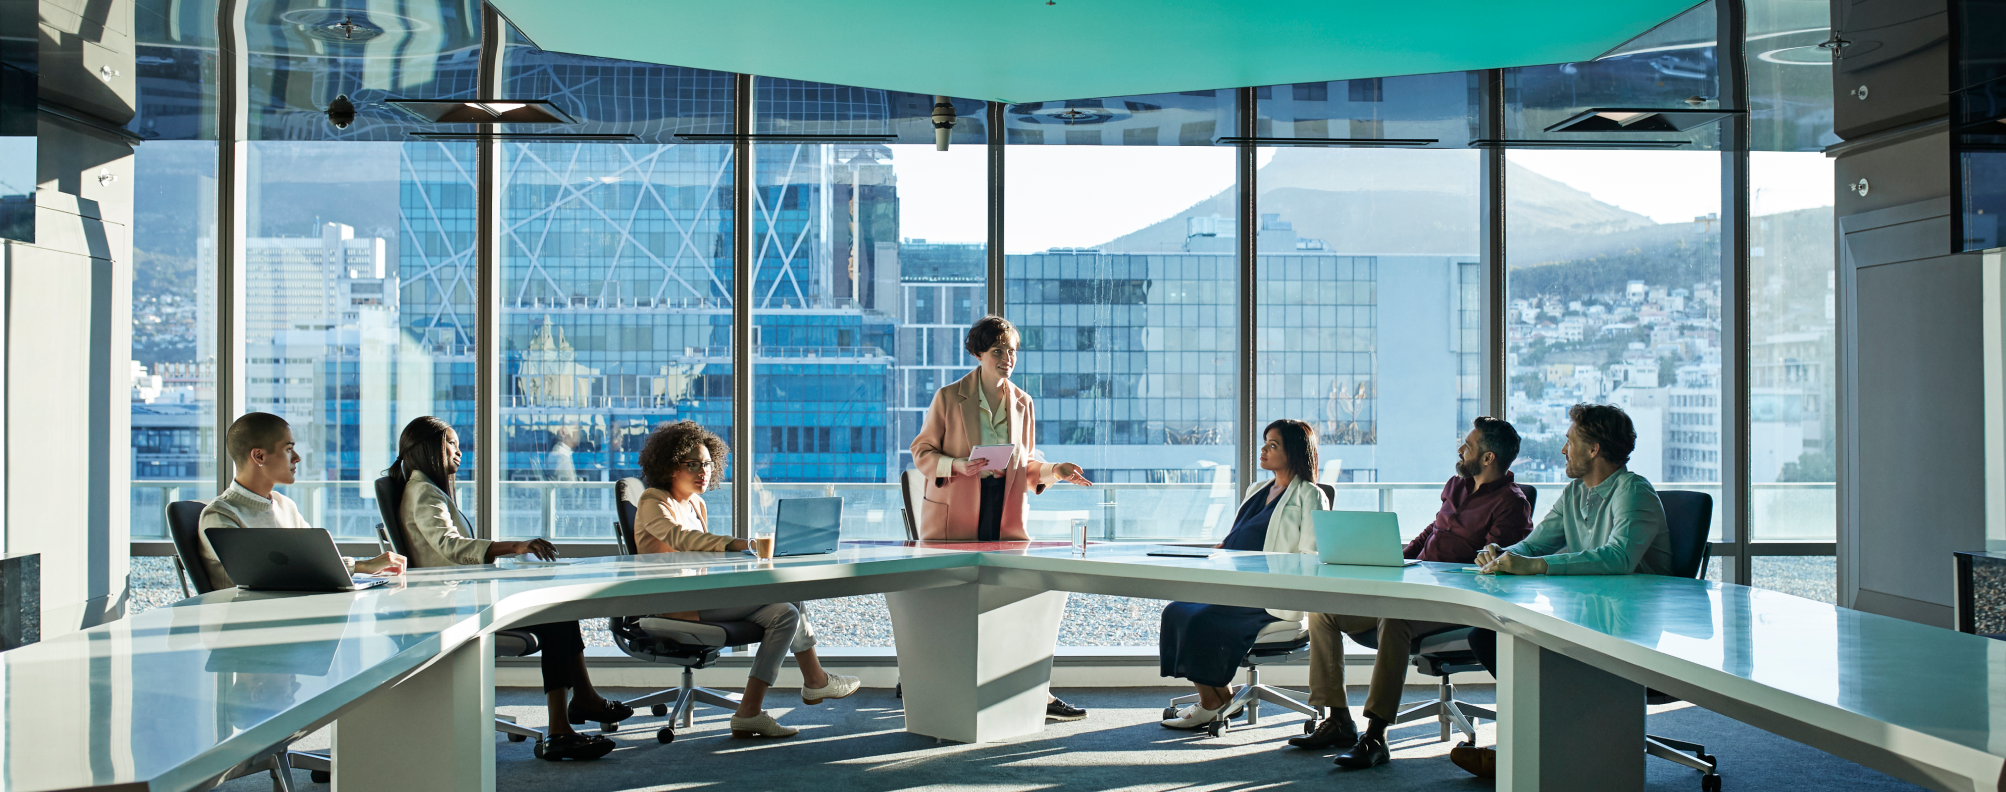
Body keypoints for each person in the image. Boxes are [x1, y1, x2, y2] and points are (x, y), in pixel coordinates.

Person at [1294, 417, 1534, 768]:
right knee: (1324, 611)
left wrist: (1432, 577)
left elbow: (1492, 568)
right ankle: (1338, 720)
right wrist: (1395, 558)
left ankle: (1375, 735)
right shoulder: (1457, 485)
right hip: (1415, 584)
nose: (1460, 449)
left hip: (1451, 601)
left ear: (1488, 458)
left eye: (1467, 445)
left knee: (1395, 619)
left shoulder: (1512, 504)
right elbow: (1433, 530)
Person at [1449, 403, 1672, 779]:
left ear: (1593, 449)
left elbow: (1618, 557)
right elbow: (1535, 545)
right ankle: (1537, 743)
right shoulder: (1575, 493)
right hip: (1590, 612)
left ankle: (1526, 752)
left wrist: (1536, 566)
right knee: (1487, 638)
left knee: (1533, 649)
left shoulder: (1633, 492)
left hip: (1632, 624)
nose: (1564, 450)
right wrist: (1502, 555)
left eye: (1570, 442)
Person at [390, 416, 629, 762]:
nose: (460, 451)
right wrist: (516, 546)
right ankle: (565, 724)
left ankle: (579, 705)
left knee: (558, 611)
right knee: (556, 616)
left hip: (458, 596)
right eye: (451, 444)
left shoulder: (423, 487)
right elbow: (451, 547)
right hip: (452, 607)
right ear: (429, 449)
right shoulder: (423, 490)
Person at [909, 314, 1094, 721]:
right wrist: (958, 464)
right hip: (957, 509)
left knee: (1015, 602)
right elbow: (922, 453)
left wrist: (1056, 471)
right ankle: (938, 687)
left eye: (1012, 350)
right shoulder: (949, 397)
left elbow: (1028, 468)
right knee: (952, 602)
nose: (1007, 358)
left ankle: (1034, 693)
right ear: (978, 353)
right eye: (998, 351)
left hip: (1005, 509)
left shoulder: (1023, 402)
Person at [631, 420, 862, 738]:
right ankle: (815, 680)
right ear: (671, 467)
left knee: (785, 613)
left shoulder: (697, 503)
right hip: (672, 603)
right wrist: (737, 544)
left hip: (699, 594)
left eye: (708, 464)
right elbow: (681, 538)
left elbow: (704, 558)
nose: (704, 472)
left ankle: (750, 712)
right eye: (694, 464)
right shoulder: (653, 501)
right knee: (787, 594)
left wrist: (744, 561)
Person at [1158, 419, 1332, 730]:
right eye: (1264, 442)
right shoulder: (1257, 489)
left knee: (1201, 620)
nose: (1263, 450)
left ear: (1293, 452)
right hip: (1235, 586)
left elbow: (1311, 557)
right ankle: (1220, 698)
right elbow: (1238, 535)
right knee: (1176, 610)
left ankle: (1211, 705)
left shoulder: (1311, 495)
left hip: (1272, 595)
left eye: (1273, 445)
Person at [196, 412, 404, 589]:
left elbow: (318, 562)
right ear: (259, 456)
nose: (297, 457)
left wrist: (360, 567)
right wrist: (359, 566)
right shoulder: (220, 516)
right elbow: (272, 577)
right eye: (288, 449)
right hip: (247, 628)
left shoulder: (285, 505)